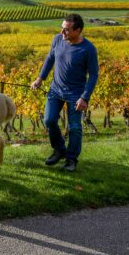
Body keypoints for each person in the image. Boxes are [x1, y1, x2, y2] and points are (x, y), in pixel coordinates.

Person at [31, 13, 99, 172]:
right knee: (49, 120)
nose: (62, 32)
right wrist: (40, 78)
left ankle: (71, 159)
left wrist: (85, 97)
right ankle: (59, 149)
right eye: (62, 28)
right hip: (55, 90)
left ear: (78, 30)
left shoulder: (88, 49)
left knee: (74, 127)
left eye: (67, 30)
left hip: (76, 94)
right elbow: (50, 58)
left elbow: (94, 75)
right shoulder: (57, 39)